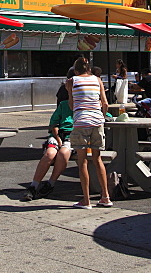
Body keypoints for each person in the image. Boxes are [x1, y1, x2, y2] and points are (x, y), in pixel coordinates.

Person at [22, 72, 75, 201]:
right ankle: (34, 186)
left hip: (73, 137)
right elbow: (54, 125)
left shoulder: (84, 107)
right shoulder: (63, 105)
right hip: (58, 135)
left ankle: (50, 183)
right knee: (50, 154)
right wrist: (58, 138)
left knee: (63, 154)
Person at [67, 57, 112, 208]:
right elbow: (105, 103)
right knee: (97, 159)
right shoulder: (98, 80)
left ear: (76, 70)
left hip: (81, 122)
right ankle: (105, 196)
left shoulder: (72, 81)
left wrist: (71, 95)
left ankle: (86, 201)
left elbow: (72, 105)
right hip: (97, 121)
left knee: (82, 162)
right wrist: (102, 116)